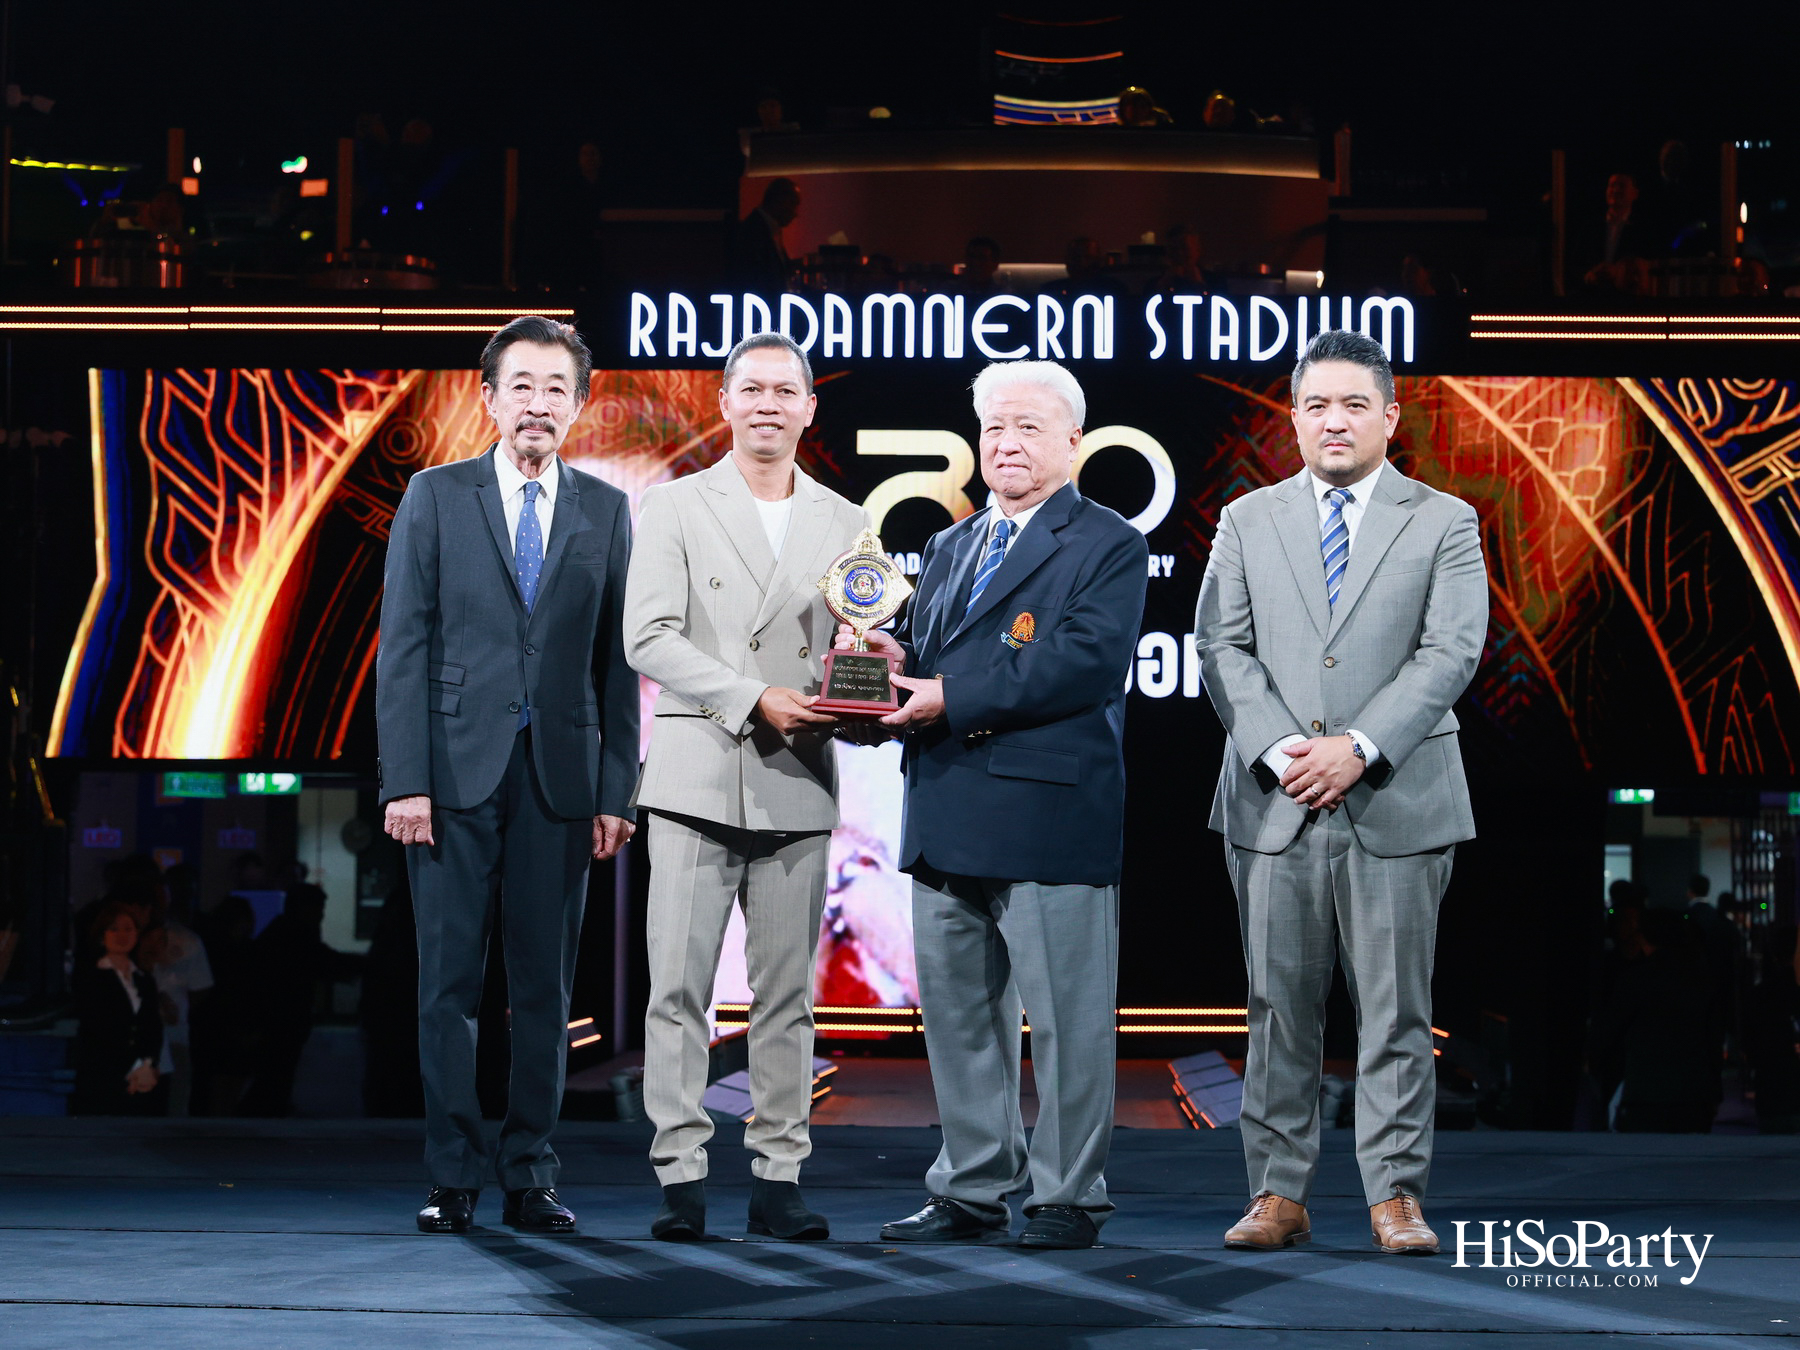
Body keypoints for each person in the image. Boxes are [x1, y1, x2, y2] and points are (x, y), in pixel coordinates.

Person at [1193, 328, 1487, 1255]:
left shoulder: (1444, 520)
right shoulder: (1248, 518)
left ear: (1390, 417)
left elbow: (1451, 651)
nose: (1334, 420)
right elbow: (1219, 648)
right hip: (1275, 803)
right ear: (1293, 415)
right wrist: (1285, 750)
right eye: (1317, 403)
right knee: (1279, 1005)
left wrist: (1359, 747)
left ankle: (1395, 1195)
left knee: (1396, 1009)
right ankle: (1277, 1193)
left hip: (1396, 799)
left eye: (1355, 403)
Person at [846, 359, 1148, 1251]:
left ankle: (1068, 1196)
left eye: (1027, 428)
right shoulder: (950, 544)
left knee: (1066, 1024)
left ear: (1073, 444)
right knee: (961, 1021)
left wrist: (945, 695)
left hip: (1049, 816)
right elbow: (929, 650)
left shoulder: (1108, 542)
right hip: (944, 807)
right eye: (993, 430)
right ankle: (971, 1188)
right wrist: (876, 664)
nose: (1006, 445)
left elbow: (1082, 665)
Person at [377, 315, 640, 1235]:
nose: (538, 403)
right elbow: (403, 647)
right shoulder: (434, 495)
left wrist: (618, 790)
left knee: (546, 992)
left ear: (579, 403)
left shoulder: (607, 509)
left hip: (561, 780)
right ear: (488, 398)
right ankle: (453, 1174)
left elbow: (617, 664)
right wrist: (403, 779)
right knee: (446, 986)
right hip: (447, 778)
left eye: (555, 387)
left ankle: (531, 1172)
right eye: (520, 385)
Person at [625, 331, 868, 1242]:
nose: (768, 404)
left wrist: (867, 667)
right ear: (723, 404)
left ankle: (778, 1176)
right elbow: (645, 637)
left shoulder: (847, 521)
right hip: (695, 772)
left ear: (810, 407)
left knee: (786, 996)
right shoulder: (676, 505)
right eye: (751, 389)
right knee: (677, 989)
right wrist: (750, 695)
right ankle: (681, 1175)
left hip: (797, 775)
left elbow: (858, 637)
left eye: (785, 391)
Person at [239, 884, 360, 1117]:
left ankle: (265, 1114)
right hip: (280, 1019)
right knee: (276, 1074)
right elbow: (320, 960)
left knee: (275, 1075)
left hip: (280, 1018)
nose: (321, 914)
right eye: (318, 908)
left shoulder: (285, 931)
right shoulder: (294, 934)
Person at [72, 902, 164, 1116]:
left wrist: (147, 1063)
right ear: (101, 935)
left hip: (141, 1075)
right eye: (114, 929)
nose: (122, 935)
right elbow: (97, 1026)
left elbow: (152, 1026)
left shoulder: (144, 979)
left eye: (128, 929)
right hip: (103, 1073)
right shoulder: (91, 977)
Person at [727, 178, 801, 294]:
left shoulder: (759, 227)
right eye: (792, 203)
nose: (795, 212)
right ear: (779, 200)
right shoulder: (754, 231)